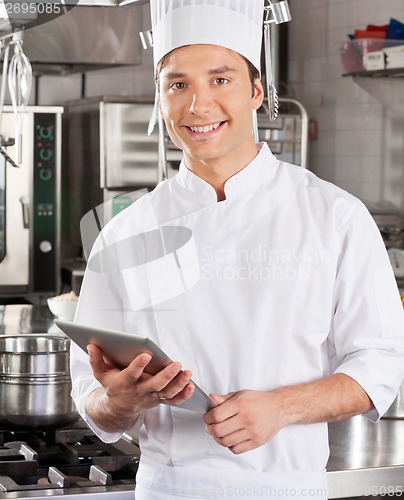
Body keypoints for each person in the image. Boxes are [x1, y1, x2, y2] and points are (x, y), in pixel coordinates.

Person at [70, 1, 404, 499]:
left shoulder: (334, 216)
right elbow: (92, 398)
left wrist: (282, 407)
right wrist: (119, 403)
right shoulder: (125, 231)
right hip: (168, 489)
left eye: (220, 80)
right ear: (160, 100)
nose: (198, 105)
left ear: (256, 91)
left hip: (286, 489)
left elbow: (380, 365)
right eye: (178, 84)